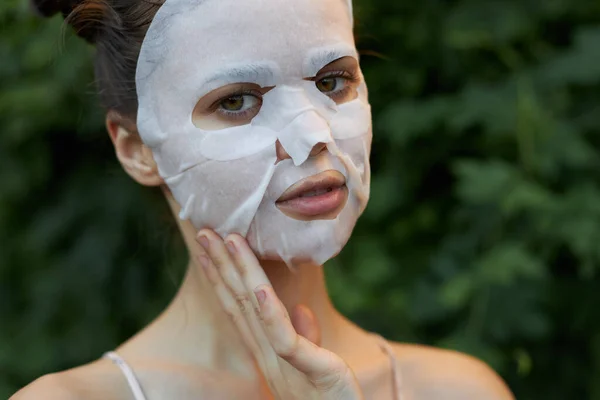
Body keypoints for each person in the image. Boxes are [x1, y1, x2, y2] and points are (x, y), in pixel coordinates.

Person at [13, 0, 515, 398]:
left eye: (331, 82)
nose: (313, 136)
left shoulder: (458, 392)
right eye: (236, 101)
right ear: (137, 149)